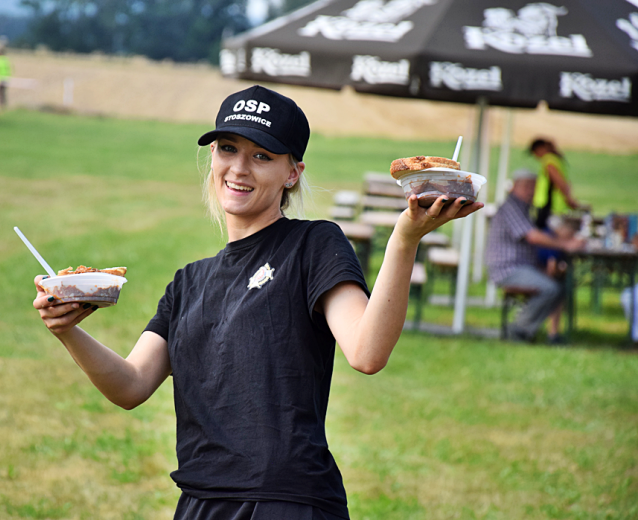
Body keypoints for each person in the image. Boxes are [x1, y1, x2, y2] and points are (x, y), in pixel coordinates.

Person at [31, 85, 482, 519]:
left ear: (292, 173)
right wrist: (67, 330)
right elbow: (130, 386)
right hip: (200, 501)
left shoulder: (313, 245)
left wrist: (404, 240)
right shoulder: (189, 283)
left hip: (286, 500)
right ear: (212, 156)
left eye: (261, 156)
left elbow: (367, 352)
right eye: (228, 148)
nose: (239, 168)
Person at [486, 168, 584, 343]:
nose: (530, 191)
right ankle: (518, 329)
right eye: (526, 187)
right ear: (515, 186)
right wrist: (565, 245)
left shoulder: (527, 209)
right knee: (550, 288)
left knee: (561, 282)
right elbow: (532, 236)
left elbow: (546, 231)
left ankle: (552, 334)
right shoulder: (511, 207)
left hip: (525, 265)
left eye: (533, 187)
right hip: (508, 268)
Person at [528, 137, 583, 230]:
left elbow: (558, 180)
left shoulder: (549, 160)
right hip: (555, 207)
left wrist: (568, 198)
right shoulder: (556, 159)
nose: (535, 156)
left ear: (539, 149)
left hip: (548, 207)